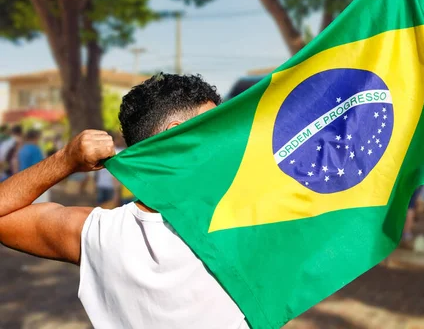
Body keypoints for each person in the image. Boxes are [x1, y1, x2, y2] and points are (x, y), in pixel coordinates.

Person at [0, 74, 249, 329]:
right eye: (216, 127)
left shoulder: (99, 234)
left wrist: (66, 160)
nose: (225, 139)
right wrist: (64, 158)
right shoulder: (247, 219)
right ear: (177, 136)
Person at [17, 129, 49, 204]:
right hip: (35, 181)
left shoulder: (22, 149)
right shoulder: (35, 149)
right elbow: (39, 166)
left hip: (23, 178)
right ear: (36, 138)